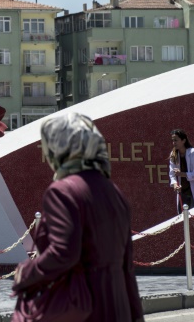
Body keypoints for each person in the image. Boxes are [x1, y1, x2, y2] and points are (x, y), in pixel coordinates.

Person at [11, 113, 143, 322]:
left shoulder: (63, 191)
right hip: (118, 307)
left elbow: (63, 252)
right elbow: (127, 268)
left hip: (83, 307)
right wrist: (136, 316)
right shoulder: (114, 192)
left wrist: (26, 273)